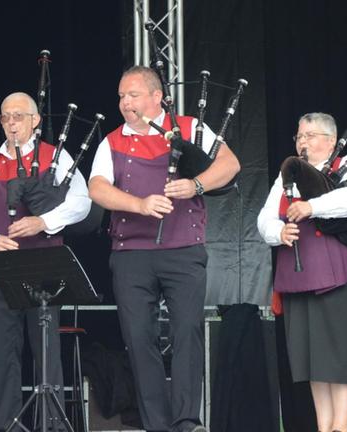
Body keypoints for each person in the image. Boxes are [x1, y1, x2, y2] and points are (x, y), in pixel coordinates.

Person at [88, 65, 240, 432]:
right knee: (139, 339)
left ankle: (187, 421)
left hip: (183, 249)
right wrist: (139, 204)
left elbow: (230, 164)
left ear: (157, 97)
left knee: (186, 331)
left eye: (133, 95)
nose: (125, 103)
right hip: (130, 254)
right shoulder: (112, 140)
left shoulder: (188, 127)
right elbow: (97, 187)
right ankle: (157, 424)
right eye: (122, 96)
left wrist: (196, 185)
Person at [0, 92, 91, 432]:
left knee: (46, 350)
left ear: (35, 120)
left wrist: (43, 221)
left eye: (18, 116)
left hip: (45, 264)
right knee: (4, 353)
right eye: (5, 117)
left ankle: (51, 424)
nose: (11, 123)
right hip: (0, 268)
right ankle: (7, 424)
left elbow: (82, 202)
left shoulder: (55, 156)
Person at [257, 113, 347, 432]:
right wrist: (278, 232)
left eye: (310, 135)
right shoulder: (288, 174)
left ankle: (341, 426)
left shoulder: (345, 165)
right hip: (299, 276)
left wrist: (313, 207)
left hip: (344, 274)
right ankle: (324, 427)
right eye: (299, 136)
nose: (302, 142)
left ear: (331, 141)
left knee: (342, 355)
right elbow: (266, 216)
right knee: (314, 358)